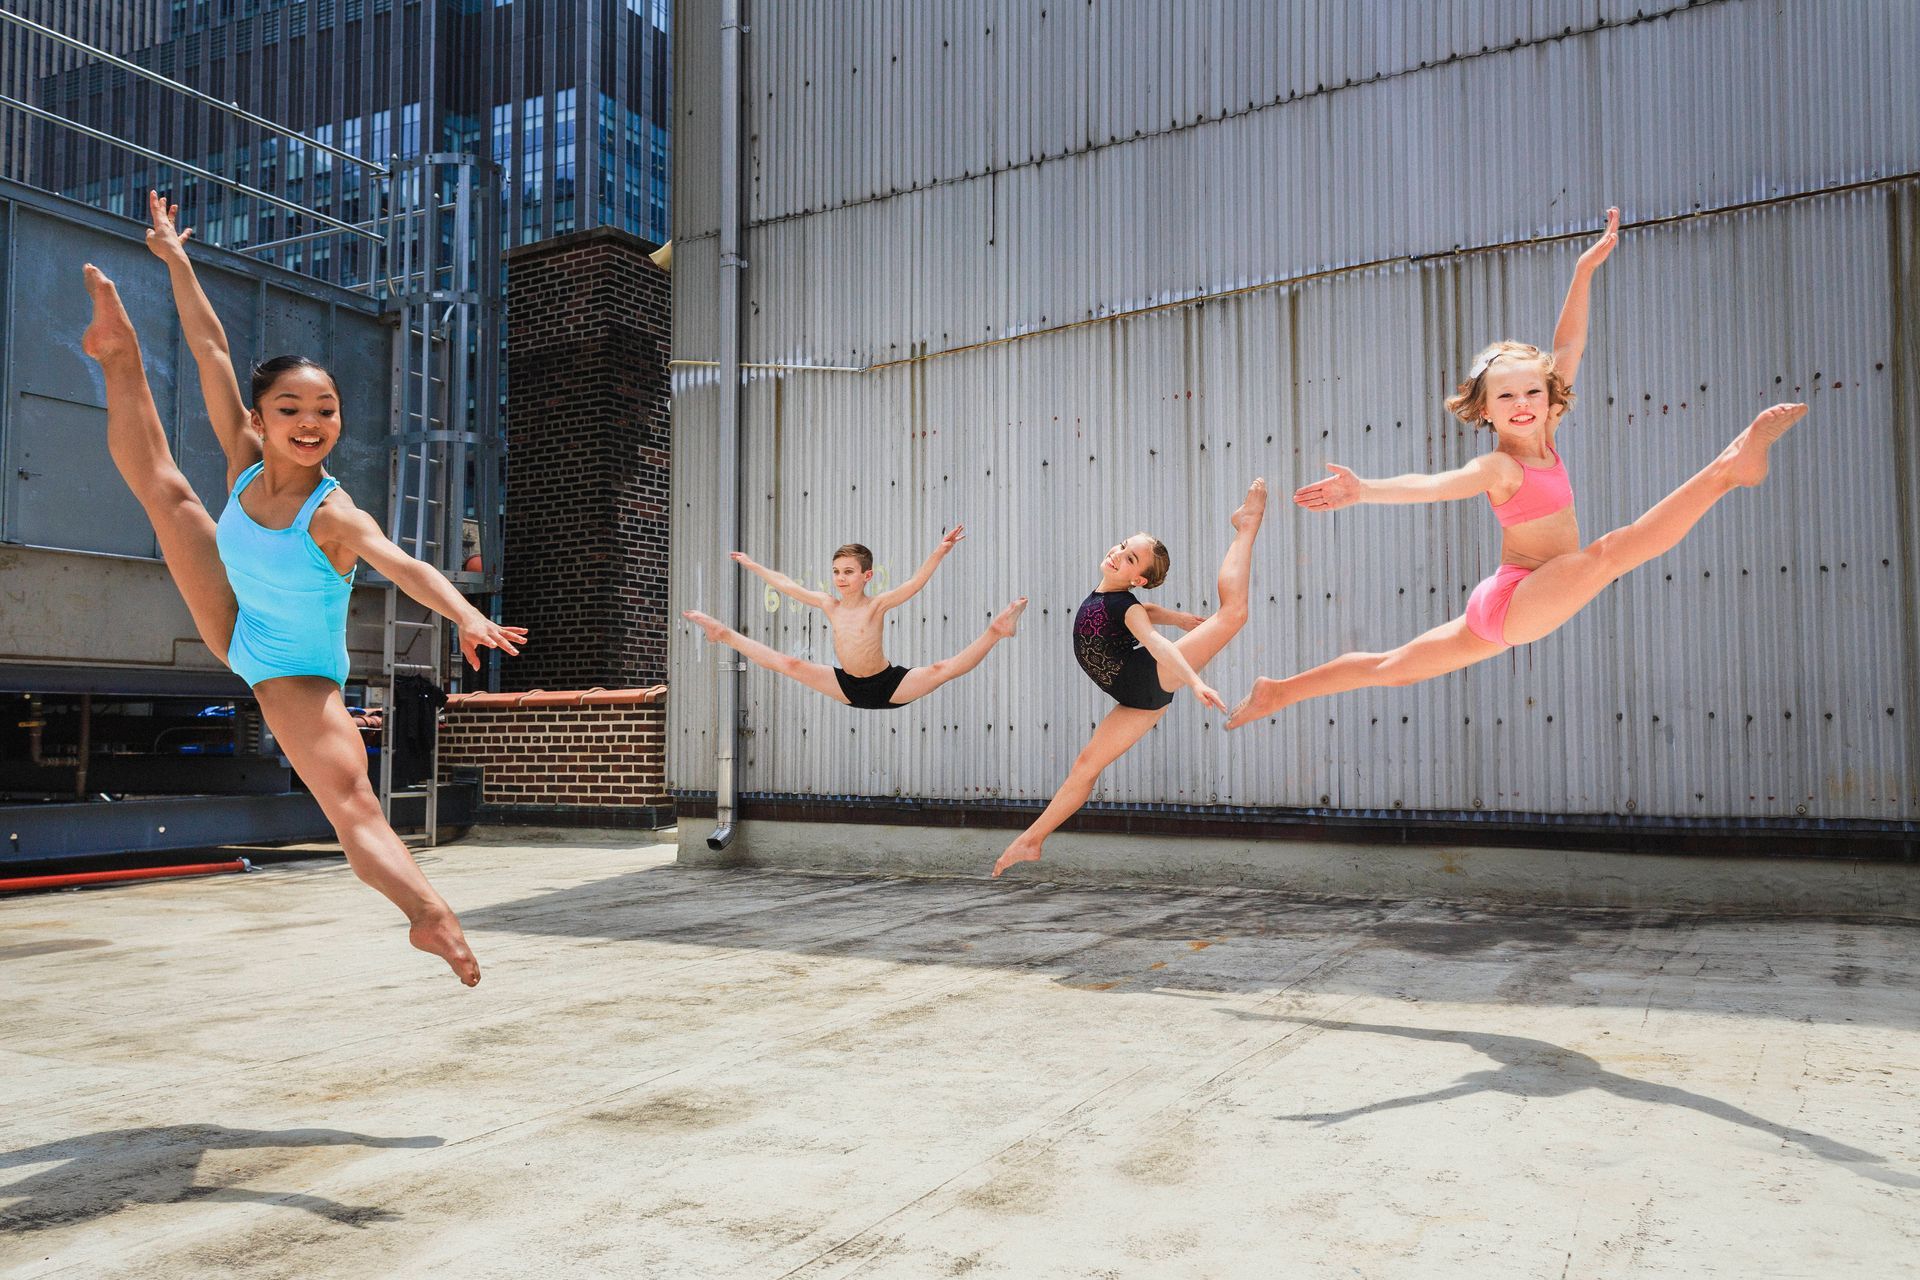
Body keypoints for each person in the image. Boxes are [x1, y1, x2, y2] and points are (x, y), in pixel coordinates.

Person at [74, 191, 527, 986]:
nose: (310, 422)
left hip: (292, 670)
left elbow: (404, 564)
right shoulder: (246, 460)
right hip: (235, 615)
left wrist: (463, 614)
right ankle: (117, 354)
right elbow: (213, 349)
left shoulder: (335, 515)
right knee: (167, 490)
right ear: (262, 416)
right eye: (291, 408)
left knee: (350, 803)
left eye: (326, 410)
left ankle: (430, 914)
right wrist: (178, 261)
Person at [1227, 210, 1805, 729]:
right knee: (1608, 555)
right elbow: (1433, 486)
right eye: (1507, 398)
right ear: (1483, 410)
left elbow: (1568, 346)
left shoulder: (1546, 432)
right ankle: (1732, 466)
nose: (1524, 403)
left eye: (1534, 391)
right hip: (1521, 596)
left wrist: (1584, 271)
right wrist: (1364, 489)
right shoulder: (1498, 466)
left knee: (1394, 667)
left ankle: (1277, 692)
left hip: (1510, 594)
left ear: (1551, 397)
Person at [992, 479, 1267, 877]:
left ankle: (1247, 525)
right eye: (1123, 546)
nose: (1119, 554)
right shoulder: (1116, 597)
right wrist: (1178, 617)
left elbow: (1156, 643)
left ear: (1137, 578)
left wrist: (1194, 681)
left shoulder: (1127, 606)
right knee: (1084, 768)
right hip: (1135, 697)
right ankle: (1032, 840)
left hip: (1147, 675)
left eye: (1131, 558)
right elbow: (1150, 613)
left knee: (1233, 614)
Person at [684, 528, 1026, 709]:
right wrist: (754, 565)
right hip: (846, 685)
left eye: (848, 571)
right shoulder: (829, 604)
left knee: (941, 671)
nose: (840, 578)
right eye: (836, 572)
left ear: (867, 576)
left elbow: (914, 584)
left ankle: (997, 630)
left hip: (889, 684)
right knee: (788, 663)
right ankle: (723, 634)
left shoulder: (876, 605)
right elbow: (788, 586)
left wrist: (939, 551)